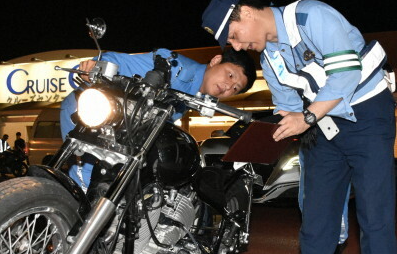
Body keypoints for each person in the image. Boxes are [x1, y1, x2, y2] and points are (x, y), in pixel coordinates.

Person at [202, 0, 397, 254]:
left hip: (367, 116)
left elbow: (345, 72)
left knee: (375, 214)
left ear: (246, 12)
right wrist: (262, 138)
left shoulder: (312, 16)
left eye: (233, 35)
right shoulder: (271, 56)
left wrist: (306, 117)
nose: (237, 45)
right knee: (317, 215)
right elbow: (287, 104)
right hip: (322, 127)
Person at [59, 47, 257, 190]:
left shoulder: (194, 99)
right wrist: (91, 67)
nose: (227, 87)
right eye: (230, 75)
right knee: (87, 188)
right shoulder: (173, 66)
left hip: (123, 134)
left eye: (235, 88)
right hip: (91, 116)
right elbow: (117, 62)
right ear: (215, 61)